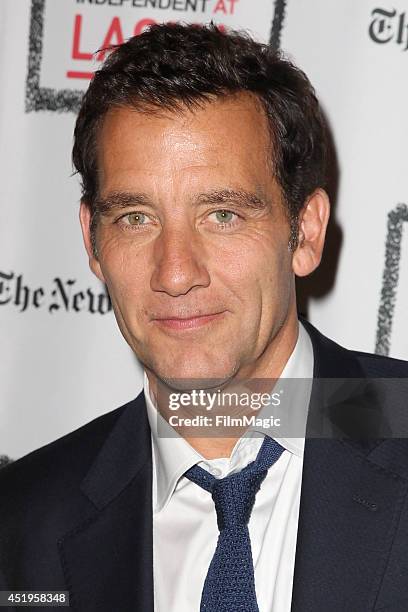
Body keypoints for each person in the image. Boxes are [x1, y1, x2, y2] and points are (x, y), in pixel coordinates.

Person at [1, 22, 408, 612]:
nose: (175, 273)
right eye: (135, 217)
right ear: (92, 240)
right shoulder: (22, 524)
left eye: (223, 215)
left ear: (306, 233)